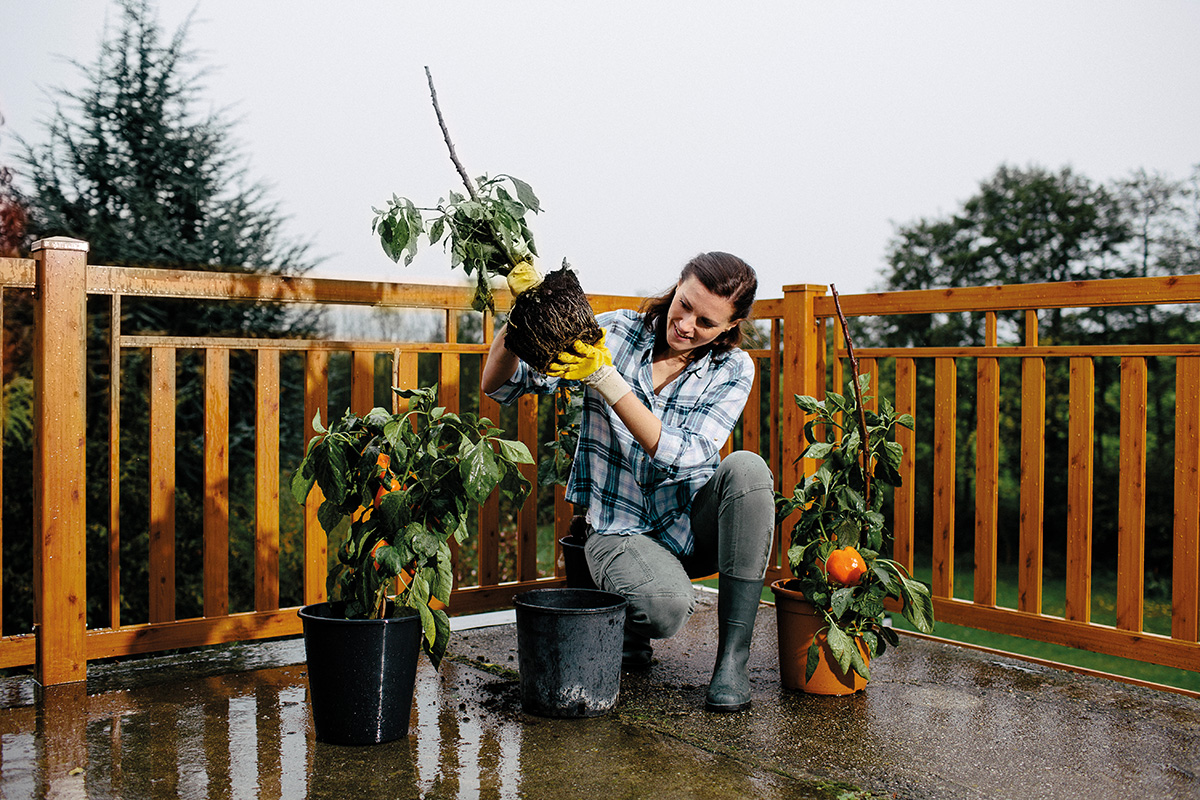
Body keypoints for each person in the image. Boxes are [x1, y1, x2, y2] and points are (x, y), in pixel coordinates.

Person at [482, 251, 775, 712]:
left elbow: (688, 455)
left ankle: (732, 662)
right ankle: (634, 624)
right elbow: (503, 384)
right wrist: (521, 314)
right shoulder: (615, 331)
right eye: (684, 305)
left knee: (748, 469)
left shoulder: (733, 369)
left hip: (690, 525)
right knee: (665, 608)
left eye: (706, 322)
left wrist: (607, 380)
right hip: (620, 528)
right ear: (676, 287)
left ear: (730, 326)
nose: (685, 325)